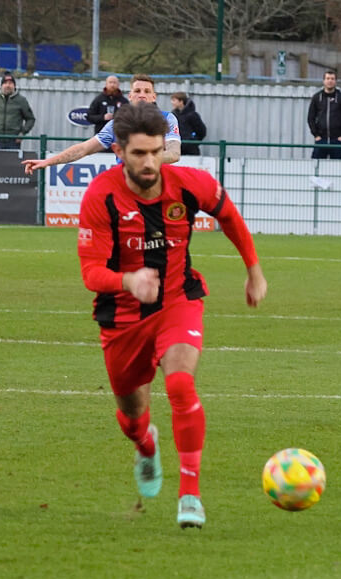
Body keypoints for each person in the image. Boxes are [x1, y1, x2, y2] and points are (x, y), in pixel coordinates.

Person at [76, 103, 267, 528]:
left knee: (181, 382)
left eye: (157, 152)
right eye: (140, 153)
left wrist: (253, 271)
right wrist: (128, 282)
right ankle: (146, 446)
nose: (150, 162)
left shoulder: (188, 184)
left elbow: (229, 216)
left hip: (178, 300)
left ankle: (191, 496)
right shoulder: (100, 197)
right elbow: (90, 271)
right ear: (119, 151)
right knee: (131, 419)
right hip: (121, 318)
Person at [22, 74, 180, 174]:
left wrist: (141, 161)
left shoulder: (167, 119)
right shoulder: (117, 124)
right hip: (126, 185)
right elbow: (84, 149)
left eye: (147, 92)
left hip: (157, 185)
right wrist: (48, 161)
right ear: (130, 96)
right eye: (137, 91)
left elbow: (174, 154)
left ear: (154, 97)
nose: (142, 95)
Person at [0, 72, 36, 150]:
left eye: (10, 83)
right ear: (1, 86)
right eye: (5, 83)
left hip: (13, 140)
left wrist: (22, 133)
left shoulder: (21, 100)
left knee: (11, 161)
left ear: (14, 86)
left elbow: (30, 119)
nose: (8, 85)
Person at [307, 69, 341, 159]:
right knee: (317, 166)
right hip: (321, 139)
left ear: (335, 81)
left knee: (335, 168)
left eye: (332, 79)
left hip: (337, 140)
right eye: (327, 78)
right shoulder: (317, 97)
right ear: (324, 81)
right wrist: (316, 135)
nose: (330, 81)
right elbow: (310, 117)